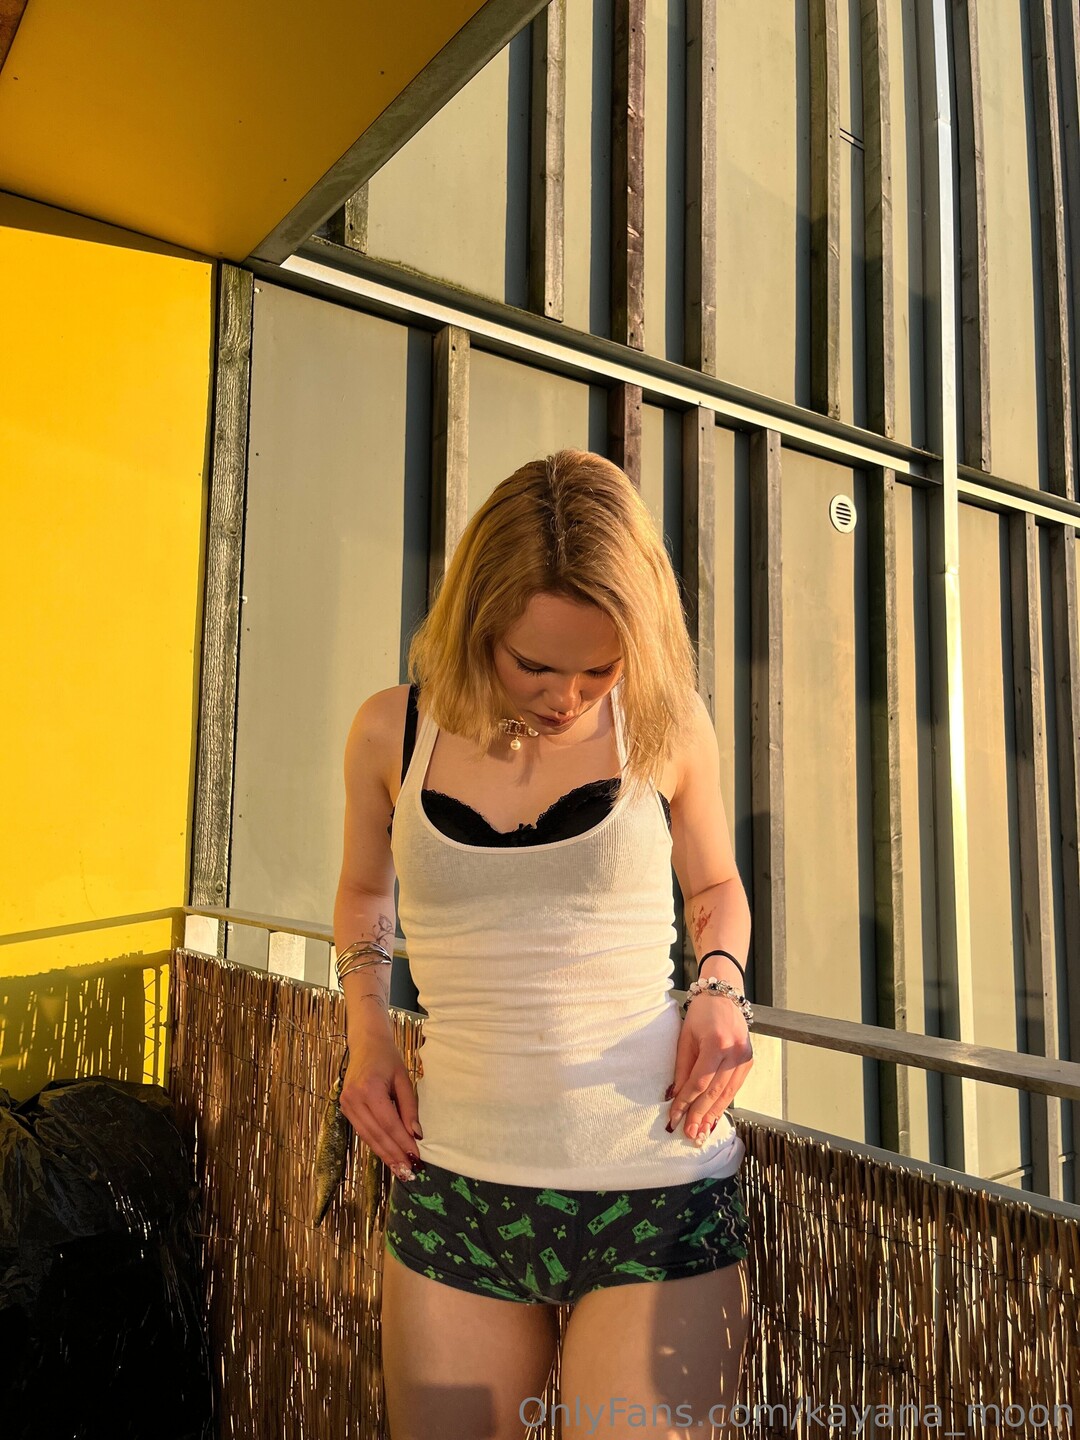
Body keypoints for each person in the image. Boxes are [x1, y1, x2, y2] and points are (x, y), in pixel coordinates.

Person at [333, 449, 755, 1440]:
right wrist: (368, 1032)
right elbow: (362, 894)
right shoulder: (390, 732)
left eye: (600, 668)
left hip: (656, 1189)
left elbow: (717, 888)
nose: (569, 696)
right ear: (478, 621)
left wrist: (721, 990)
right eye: (536, 665)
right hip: (455, 1186)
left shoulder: (667, 723)